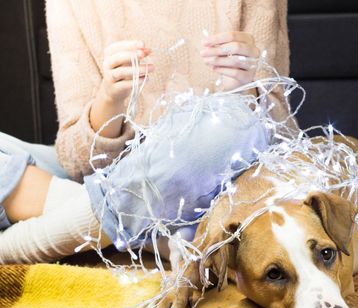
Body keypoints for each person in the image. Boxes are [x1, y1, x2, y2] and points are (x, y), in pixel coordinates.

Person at [0, 0, 291, 264]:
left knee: (229, 127)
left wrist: (242, 89)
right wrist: (109, 99)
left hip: (210, 177)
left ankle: (20, 245)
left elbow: (277, 134)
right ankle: (160, 240)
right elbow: (76, 161)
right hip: (111, 172)